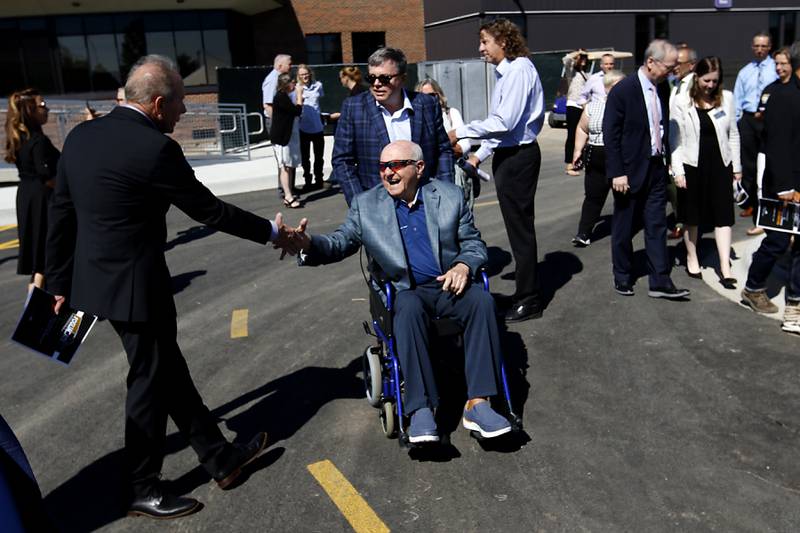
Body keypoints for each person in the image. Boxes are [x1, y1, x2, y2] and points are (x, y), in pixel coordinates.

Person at [45, 55, 296, 519]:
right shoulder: (155, 149)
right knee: (148, 384)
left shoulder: (80, 136)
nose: (183, 110)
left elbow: (61, 213)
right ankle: (142, 486)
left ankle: (220, 459)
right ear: (158, 103)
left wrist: (56, 282)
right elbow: (210, 212)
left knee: (166, 372)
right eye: (179, 102)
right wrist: (276, 234)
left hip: (93, 284)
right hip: (139, 289)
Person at [290, 140, 512, 443]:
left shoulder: (449, 196)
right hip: (406, 291)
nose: (387, 173)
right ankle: (420, 409)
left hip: (448, 284)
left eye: (395, 166)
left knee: (483, 301)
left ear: (418, 168)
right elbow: (339, 242)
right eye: (382, 167)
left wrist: (463, 265)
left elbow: (473, 244)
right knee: (406, 309)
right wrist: (308, 245)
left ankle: (478, 404)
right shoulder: (367, 205)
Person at [449, 18, 546, 322]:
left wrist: (461, 132)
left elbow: (505, 123)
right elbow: (503, 130)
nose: (481, 49)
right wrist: (481, 155)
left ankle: (529, 299)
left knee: (521, 230)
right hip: (511, 154)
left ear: (503, 41)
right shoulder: (510, 72)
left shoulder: (517, 71)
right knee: (518, 228)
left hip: (519, 158)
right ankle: (524, 293)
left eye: (485, 42)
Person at [603, 39, 690, 299]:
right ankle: (622, 275)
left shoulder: (661, 89)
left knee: (656, 225)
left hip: (655, 168)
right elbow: (611, 133)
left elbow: (660, 128)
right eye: (669, 66)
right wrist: (617, 172)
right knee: (624, 226)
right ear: (651, 62)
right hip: (628, 172)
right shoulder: (624, 90)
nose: (673, 71)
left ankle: (660, 280)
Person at [332, 47, 453, 206]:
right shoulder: (353, 107)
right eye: (371, 77)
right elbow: (342, 161)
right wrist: (360, 204)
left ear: (402, 78)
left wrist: (445, 192)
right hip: (376, 203)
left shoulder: (427, 105)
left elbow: (443, 150)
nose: (376, 84)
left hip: (426, 199)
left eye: (384, 78)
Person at [740, 41, 800, 335]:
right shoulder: (779, 95)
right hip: (780, 185)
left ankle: (795, 303)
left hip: (795, 182)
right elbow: (775, 146)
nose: (780, 67)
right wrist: (786, 187)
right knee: (777, 242)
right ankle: (753, 288)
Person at [671, 56, 742, 289]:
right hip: (692, 166)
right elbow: (675, 139)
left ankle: (725, 267)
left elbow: (733, 135)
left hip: (720, 165)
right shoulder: (682, 101)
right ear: (697, 77)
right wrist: (678, 171)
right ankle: (692, 257)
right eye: (706, 80)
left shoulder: (727, 99)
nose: (710, 86)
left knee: (723, 216)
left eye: (715, 81)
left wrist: (737, 168)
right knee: (693, 217)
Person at [3, 89, 59, 292]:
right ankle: (34, 308)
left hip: (27, 197)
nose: (47, 109)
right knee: (44, 257)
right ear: (30, 110)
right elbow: (47, 176)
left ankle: (34, 304)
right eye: (42, 106)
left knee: (39, 258)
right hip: (42, 200)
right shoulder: (38, 141)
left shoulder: (21, 139)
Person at [570, 70, 626, 247]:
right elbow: (581, 128)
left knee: (623, 197)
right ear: (607, 88)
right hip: (595, 155)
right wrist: (577, 151)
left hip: (620, 157)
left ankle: (624, 233)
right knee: (593, 197)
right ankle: (583, 233)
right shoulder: (593, 107)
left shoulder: (630, 107)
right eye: (615, 87)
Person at [734, 32, 777, 220]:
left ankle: (769, 202)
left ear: (769, 47)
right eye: (757, 46)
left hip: (769, 120)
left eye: (763, 46)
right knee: (749, 164)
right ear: (752, 47)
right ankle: (751, 203)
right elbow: (737, 99)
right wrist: (737, 123)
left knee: (769, 162)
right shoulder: (745, 71)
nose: (760, 49)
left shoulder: (776, 69)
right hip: (749, 120)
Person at [416, 78, 474, 208]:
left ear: (439, 95)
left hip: (454, 171)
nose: (428, 100)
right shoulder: (416, 118)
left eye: (432, 95)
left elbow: (465, 145)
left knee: (459, 210)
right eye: (423, 96)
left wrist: (442, 149)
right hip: (427, 174)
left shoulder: (451, 113)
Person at [666, 46, 698, 240]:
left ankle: (685, 224)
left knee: (683, 187)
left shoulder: (694, 85)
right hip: (674, 143)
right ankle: (682, 220)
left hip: (686, 145)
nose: (675, 66)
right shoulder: (676, 84)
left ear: (691, 64)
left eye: (679, 63)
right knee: (675, 186)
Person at [271, 73, 304, 208]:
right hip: (281, 138)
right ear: (286, 84)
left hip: (286, 136)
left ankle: (289, 193)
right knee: (284, 167)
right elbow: (297, 111)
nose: (295, 85)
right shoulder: (280, 97)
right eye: (293, 83)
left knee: (289, 166)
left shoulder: (284, 97)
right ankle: (288, 196)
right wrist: (299, 95)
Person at [297, 65, 326, 191]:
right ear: (299, 76)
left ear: (310, 73)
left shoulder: (318, 86)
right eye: (302, 74)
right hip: (303, 127)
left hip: (318, 127)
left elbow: (319, 101)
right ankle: (307, 181)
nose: (305, 76)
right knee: (305, 157)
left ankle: (319, 180)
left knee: (319, 156)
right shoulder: (297, 89)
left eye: (306, 74)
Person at [565, 50, 589, 176]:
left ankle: (579, 162)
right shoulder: (571, 72)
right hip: (573, 105)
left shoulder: (585, 74)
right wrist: (578, 52)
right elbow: (566, 59)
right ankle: (569, 165)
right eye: (581, 58)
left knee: (583, 136)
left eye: (585, 58)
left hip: (583, 107)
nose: (583, 60)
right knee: (572, 135)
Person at [262, 53, 292, 127]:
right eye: (289, 64)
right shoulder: (273, 79)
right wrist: (278, 123)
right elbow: (268, 105)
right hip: (276, 122)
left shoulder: (281, 78)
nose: (291, 67)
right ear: (280, 66)